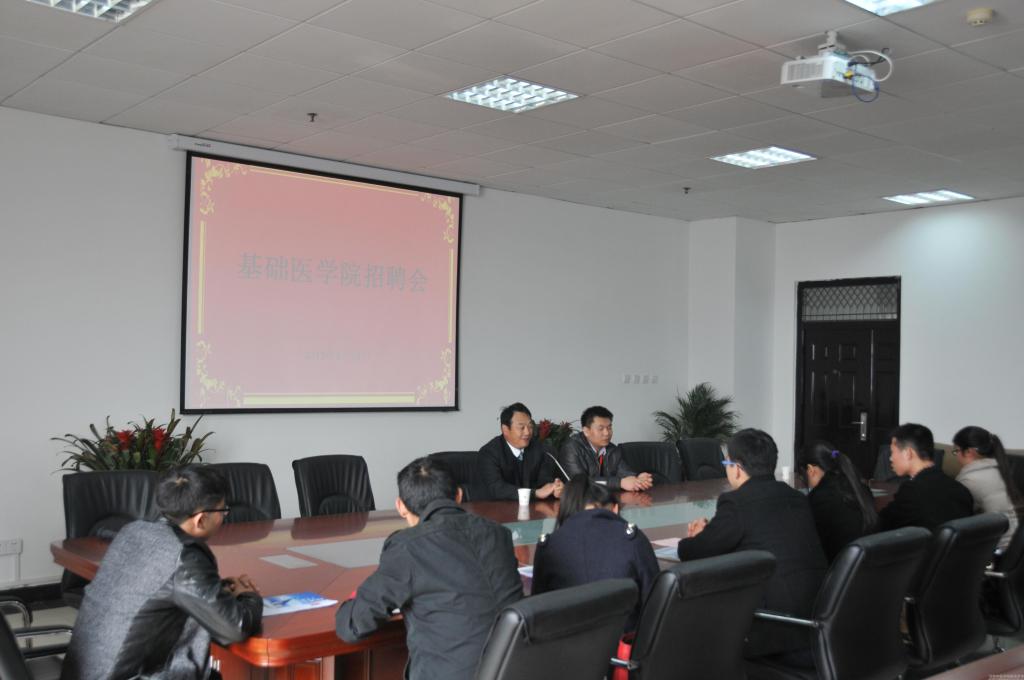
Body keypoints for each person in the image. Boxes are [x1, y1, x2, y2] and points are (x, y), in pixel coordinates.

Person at [61, 465, 263, 680]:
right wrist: (248, 595)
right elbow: (235, 628)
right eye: (223, 511)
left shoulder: (133, 531)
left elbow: (156, 588)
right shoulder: (184, 555)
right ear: (201, 519)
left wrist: (217, 589)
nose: (224, 517)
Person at [336, 457, 522, 680]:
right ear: (459, 495)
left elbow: (352, 625)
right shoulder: (498, 533)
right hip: (515, 671)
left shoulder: (409, 546)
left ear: (401, 507)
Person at [677, 428, 826, 660]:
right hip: (819, 620)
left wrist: (694, 538)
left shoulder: (737, 502)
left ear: (736, 468)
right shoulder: (797, 498)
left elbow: (693, 552)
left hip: (775, 629)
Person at [531, 475, 660, 631]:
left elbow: (537, 613)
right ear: (615, 509)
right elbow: (656, 602)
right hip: (624, 642)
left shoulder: (548, 545)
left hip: (564, 643)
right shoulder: (631, 539)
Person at [877, 423, 973, 531]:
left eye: (892, 452)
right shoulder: (961, 489)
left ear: (908, 453)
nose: (890, 458)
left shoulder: (912, 491)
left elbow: (882, 524)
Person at [797, 441, 878, 561]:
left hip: (841, 565)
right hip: (867, 562)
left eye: (803, 477)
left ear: (810, 470)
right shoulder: (858, 486)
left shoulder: (822, 497)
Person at [478, 402, 564, 501]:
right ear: (505, 429)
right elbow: (497, 488)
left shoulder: (541, 449)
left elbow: (544, 481)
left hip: (534, 508)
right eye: (521, 427)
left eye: (530, 426)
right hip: (497, 507)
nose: (527, 432)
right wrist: (535, 493)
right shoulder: (489, 453)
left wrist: (554, 489)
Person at [953, 425, 1020, 550]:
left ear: (969, 452)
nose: (956, 457)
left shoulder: (969, 479)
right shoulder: (1001, 469)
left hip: (995, 548)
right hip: (1015, 545)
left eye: (956, 451)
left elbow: (956, 516)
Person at [559, 405, 653, 491]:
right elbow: (580, 483)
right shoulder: (571, 449)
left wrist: (639, 478)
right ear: (586, 431)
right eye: (601, 429)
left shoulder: (612, 449)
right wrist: (619, 483)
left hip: (604, 499)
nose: (607, 433)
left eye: (609, 428)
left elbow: (625, 472)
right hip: (577, 501)